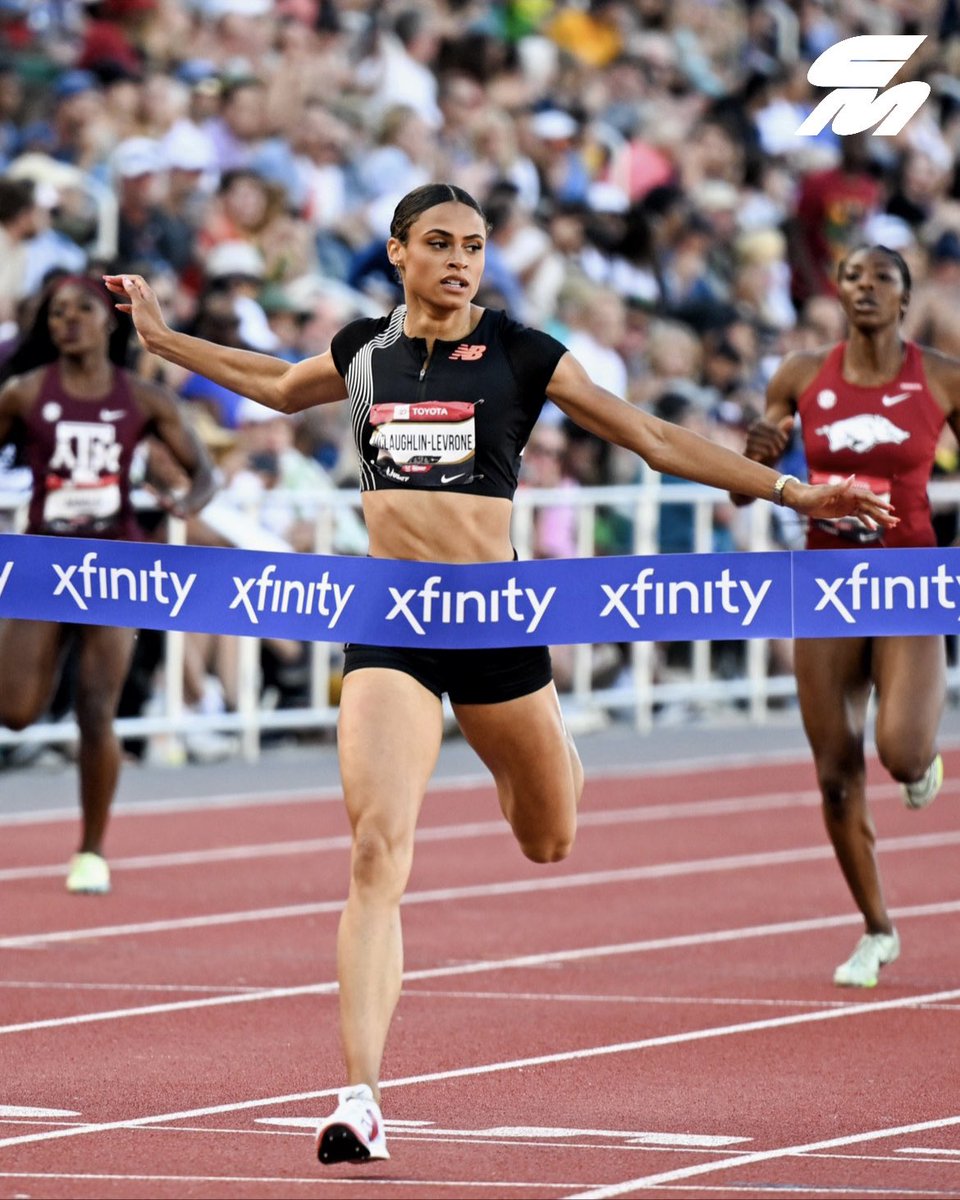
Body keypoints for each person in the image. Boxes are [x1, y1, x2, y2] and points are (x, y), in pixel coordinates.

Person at [104, 183, 893, 1166]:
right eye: (438, 243)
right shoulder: (365, 351)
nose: (459, 260)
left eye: (474, 245)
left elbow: (648, 435)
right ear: (397, 252)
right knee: (374, 851)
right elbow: (269, 382)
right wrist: (164, 337)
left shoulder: (521, 352)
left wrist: (791, 489)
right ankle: (361, 1095)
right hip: (390, 622)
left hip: (495, 623)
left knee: (549, 836)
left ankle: (553, 752)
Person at [732, 244, 960, 990]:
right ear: (838, 293)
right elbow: (748, 484)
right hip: (824, 581)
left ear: (905, 299)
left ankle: (919, 764)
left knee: (898, 751)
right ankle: (876, 928)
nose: (865, 287)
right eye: (853, 277)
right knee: (835, 775)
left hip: (908, 580)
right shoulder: (801, 374)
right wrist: (761, 455)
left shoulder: (941, 376)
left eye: (882, 279)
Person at [0, 275, 216, 895]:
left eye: (81, 311)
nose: (67, 321)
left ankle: (91, 850)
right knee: (15, 712)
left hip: (116, 566)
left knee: (97, 706)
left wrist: (183, 500)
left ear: (110, 322)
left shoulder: (144, 400)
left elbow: (203, 473)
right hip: (44, 564)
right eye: (57, 313)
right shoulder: (23, 393)